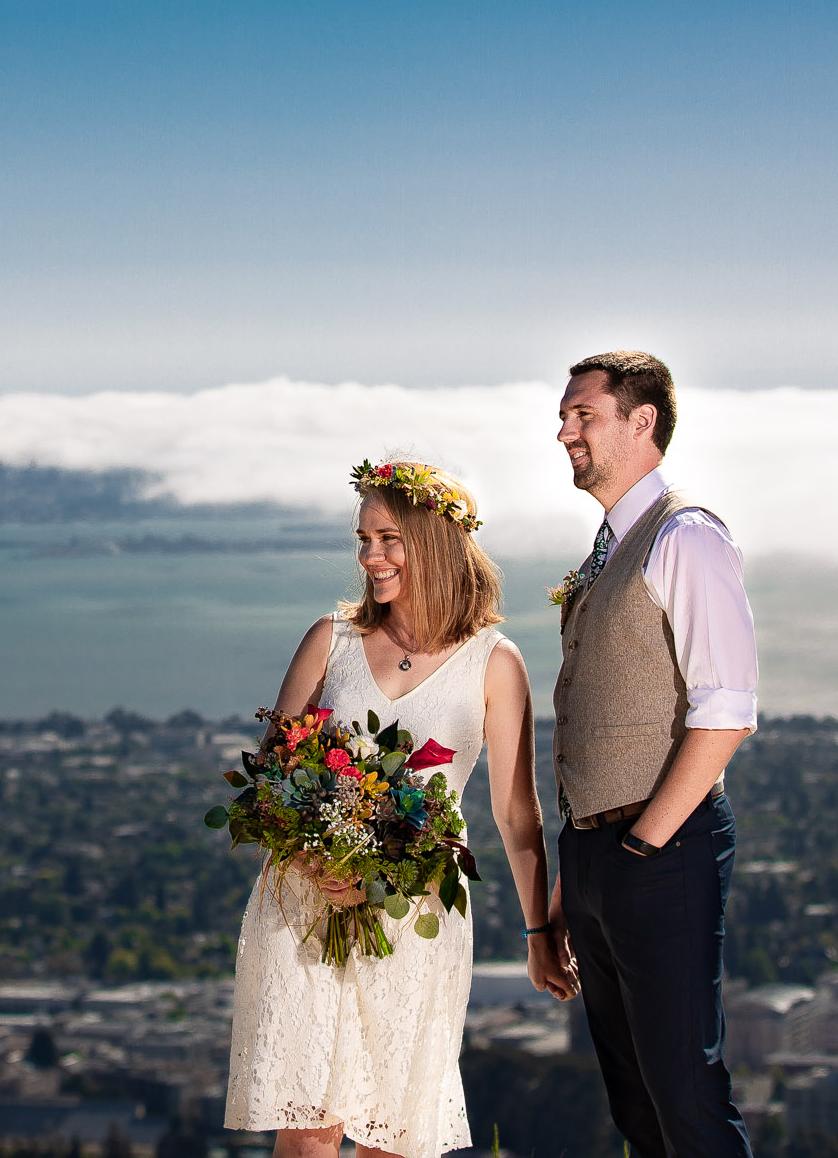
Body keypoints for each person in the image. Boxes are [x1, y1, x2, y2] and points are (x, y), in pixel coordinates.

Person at [226, 459, 576, 1158]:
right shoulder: (333, 639)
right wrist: (319, 860)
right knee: (307, 1125)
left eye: (388, 537)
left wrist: (541, 932)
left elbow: (517, 813)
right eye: (363, 538)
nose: (369, 555)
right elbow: (271, 775)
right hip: (305, 905)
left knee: (395, 1131)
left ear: (436, 543)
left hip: (415, 916)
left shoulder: (494, 662)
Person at [549, 351, 759, 1158]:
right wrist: (587, 861)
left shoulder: (687, 535)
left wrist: (640, 845)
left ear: (643, 422)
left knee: (686, 1097)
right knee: (636, 1101)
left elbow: (727, 712)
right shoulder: (611, 544)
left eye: (582, 414)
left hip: (660, 850)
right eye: (565, 414)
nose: (564, 429)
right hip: (602, 850)